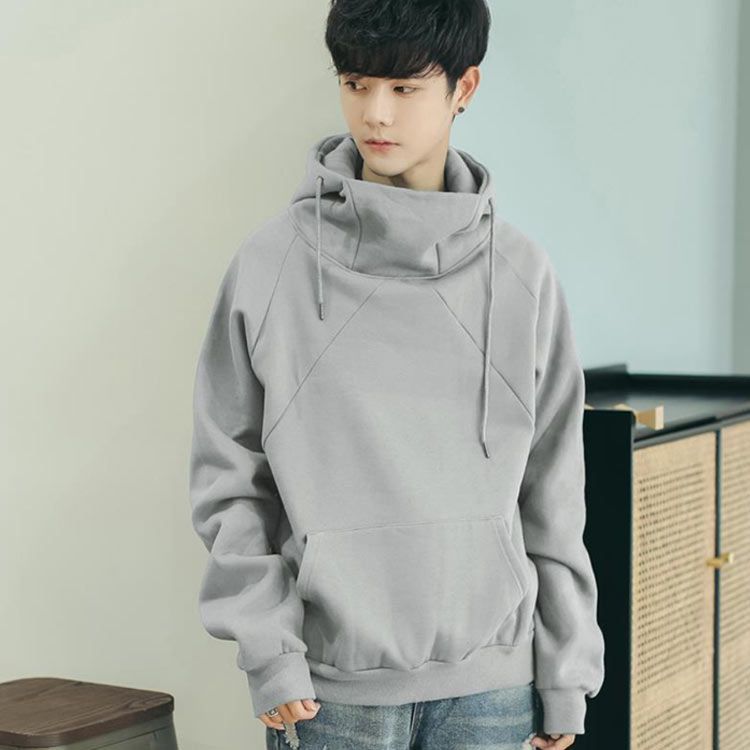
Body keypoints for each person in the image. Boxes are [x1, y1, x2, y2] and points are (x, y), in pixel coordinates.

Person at [188, 1, 605, 748]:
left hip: (492, 692)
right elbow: (229, 478)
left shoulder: (522, 276)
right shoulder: (272, 266)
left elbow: (554, 490)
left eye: (405, 88)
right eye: (356, 83)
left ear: (463, 87)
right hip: (330, 693)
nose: (374, 113)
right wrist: (269, 649)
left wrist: (565, 674)